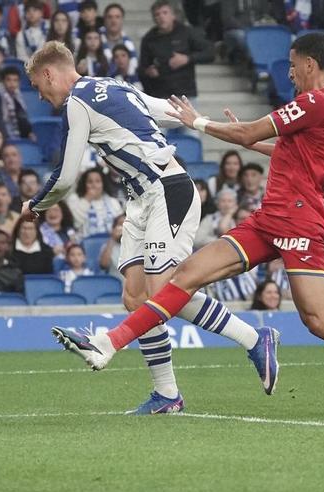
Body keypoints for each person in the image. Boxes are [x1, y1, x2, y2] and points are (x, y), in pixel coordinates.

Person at [52, 33, 324, 412]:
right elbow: (281, 147)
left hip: (300, 223)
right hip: (268, 219)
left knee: (321, 322)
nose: (289, 73)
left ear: (311, 64)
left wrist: (198, 123)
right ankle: (109, 342)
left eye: (293, 66)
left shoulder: (319, 101)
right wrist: (241, 136)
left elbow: (250, 131)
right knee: (183, 276)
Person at [24, 41, 276, 414]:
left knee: (164, 291)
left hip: (166, 190)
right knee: (136, 295)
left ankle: (255, 338)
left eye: (37, 86)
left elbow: (64, 179)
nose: (41, 97)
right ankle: (167, 394)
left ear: (48, 72)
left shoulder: (78, 102)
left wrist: (35, 204)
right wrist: (205, 121)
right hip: (141, 201)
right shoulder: (113, 85)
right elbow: (170, 112)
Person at [137, 0, 213, 101]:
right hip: (160, 94)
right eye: (157, 14)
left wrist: (187, 58)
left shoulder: (186, 32)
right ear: (154, 18)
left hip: (185, 93)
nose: (161, 17)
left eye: (165, 13)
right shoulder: (149, 39)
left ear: (173, 15)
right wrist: (149, 71)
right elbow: (142, 67)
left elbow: (210, 53)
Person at [66, 167, 123, 239]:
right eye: (90, 182)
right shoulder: (75, 199)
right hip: (84, 245)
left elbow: (120, 224)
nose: (94, 185)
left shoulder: (113, 201)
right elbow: (76, 223)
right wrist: (88, 198)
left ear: (103, 184)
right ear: (84, 184)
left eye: (98, 181)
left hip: (110, 245)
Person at [0, 66, 34, 138]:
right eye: (8, 80)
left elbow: (22, 117)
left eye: (15, 80)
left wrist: (29, 133)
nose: (12, 83)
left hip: (12, 130)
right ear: (3, 81)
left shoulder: (18, 96)